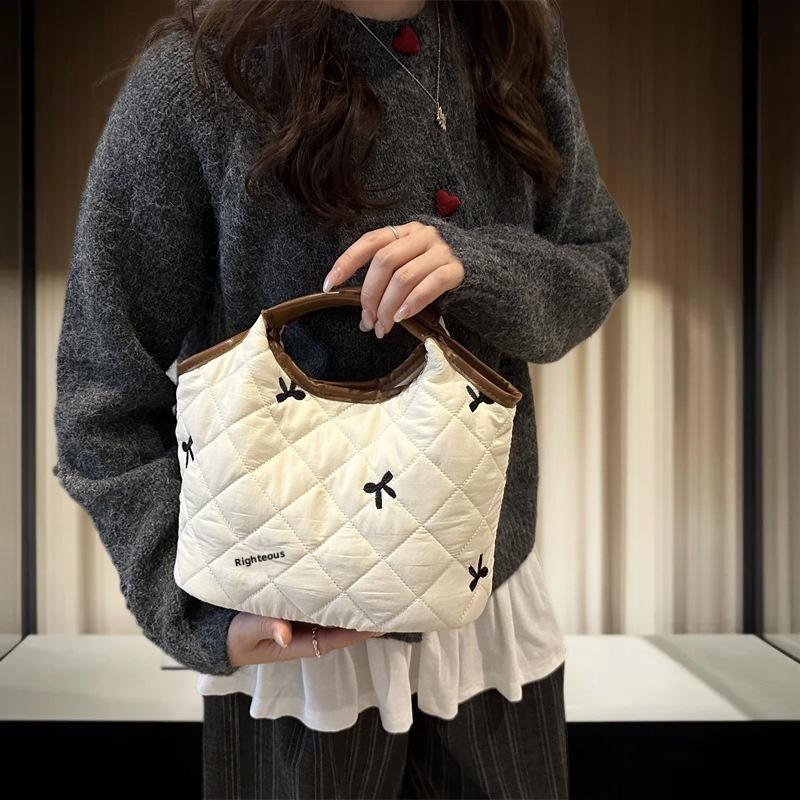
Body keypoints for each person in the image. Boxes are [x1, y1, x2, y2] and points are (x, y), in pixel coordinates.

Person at [53, 0, 631, 797]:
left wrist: (476, 267)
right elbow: (100, 391)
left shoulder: (512, 31)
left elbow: (596, 260)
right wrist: (193, 610)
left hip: (489, 617)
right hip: (297, 644)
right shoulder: (200, 75)